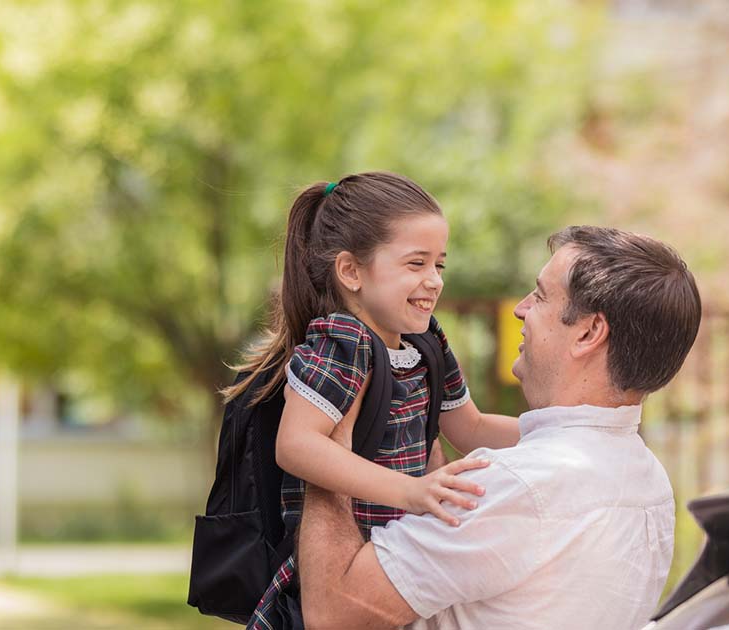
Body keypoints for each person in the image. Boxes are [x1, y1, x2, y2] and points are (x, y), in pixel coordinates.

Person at [297, 226, 702, 629]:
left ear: (588, 332)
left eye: (541, 295)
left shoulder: (519, 485)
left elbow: (333, 614)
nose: (520, 309)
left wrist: (331, 443)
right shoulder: (650, 482)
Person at [223, 172, 522, 629]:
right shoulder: (342, 342)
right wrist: (411, 490)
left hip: (392, 570)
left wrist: (563, 429)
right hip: (332, 578)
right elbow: (298, 444)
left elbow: (472, 428)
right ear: (351, 271)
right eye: (416, 263)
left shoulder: (426, 343)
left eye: (439, 265)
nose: (434, 281)